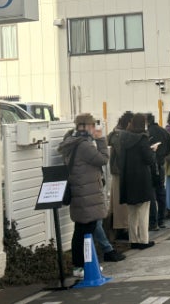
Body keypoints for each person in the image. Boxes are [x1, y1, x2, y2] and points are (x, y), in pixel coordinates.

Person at [58, 113, 109, 278]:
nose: (95, 129)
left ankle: (80, 265)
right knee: (87, 230)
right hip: (87, 193)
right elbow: (102, 159)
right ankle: (84, 266)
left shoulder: (72, 142)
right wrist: (101, 140)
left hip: (80, 191)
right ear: (87, 126)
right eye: (93, 126)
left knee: (80, 230)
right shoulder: (84, 146)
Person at [119, 113, 159, 249]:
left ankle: (133, 240)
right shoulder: (142, 139)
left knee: (132, 212)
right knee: (143, 211)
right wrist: (153, 151)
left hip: (128, 179)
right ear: (143, 124)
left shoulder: (124, 138)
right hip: (142, 179)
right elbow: (149, 159)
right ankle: (143, 240)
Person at [107, 111, 134, 241]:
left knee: (117, 203)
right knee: (121, 203)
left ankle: (121, 228)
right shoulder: (120, 136)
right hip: (121, 171)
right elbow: (123, 153)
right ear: (128, 123)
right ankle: (122, 228)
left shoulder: (116, 133)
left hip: (117, 171)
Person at [146, 112, 170, 231]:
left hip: (149, 167)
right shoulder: (163, 131)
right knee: (161, 192)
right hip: (161, 165)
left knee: (151, 194)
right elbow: (169, 149)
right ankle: (161, 220)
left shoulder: (146, 134)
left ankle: (153, 222)